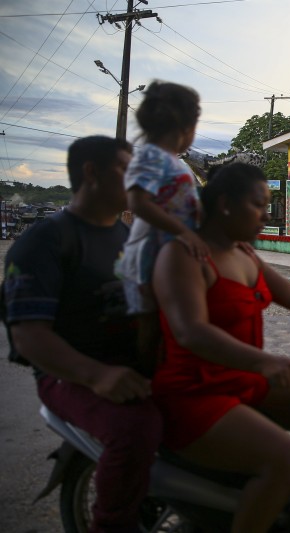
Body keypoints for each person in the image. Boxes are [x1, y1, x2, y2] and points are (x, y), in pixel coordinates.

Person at [151, 162, 290, 532]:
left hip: (241, 383)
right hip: (195, 393)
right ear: (225, 204)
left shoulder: (243, 252)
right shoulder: (185, 255)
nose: (266, 214)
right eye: (259, 204)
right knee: (285, 456)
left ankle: (268, 500)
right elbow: (191, 331)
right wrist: (265, 362)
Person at [3, 136, 162, 533]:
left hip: (128, 362)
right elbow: (28, 337)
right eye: (127, 170)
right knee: (133, 429)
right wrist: (97, 375)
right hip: (69, 374)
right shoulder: (43, 240)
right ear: (91, 173)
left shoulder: (122, 236)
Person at [115, 80, 208, 366]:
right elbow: (137, 202)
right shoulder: (150, 156)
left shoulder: (172, 161)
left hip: (170, 252)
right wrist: (182, 230)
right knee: (149, 324)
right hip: (149, 254)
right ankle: (141, 374)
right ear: (186, 126)